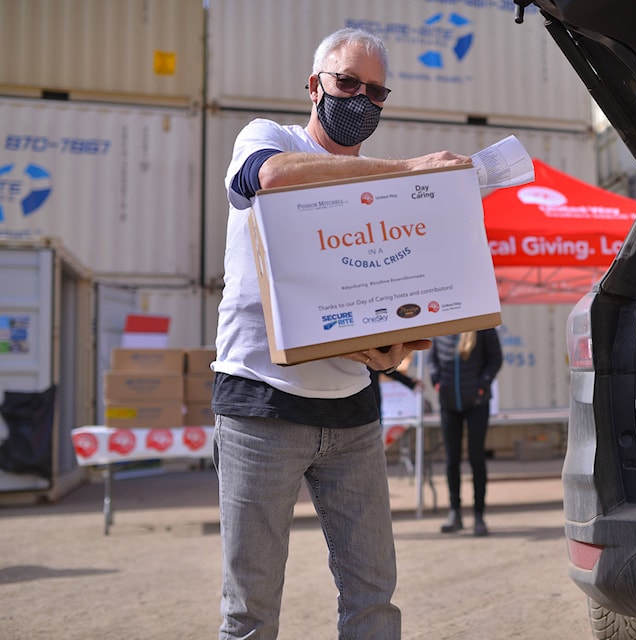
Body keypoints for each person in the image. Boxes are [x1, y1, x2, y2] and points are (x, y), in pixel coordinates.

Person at [211, 27, 472, 640]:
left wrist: (390, 351)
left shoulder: (387, 194)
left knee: (374, 598)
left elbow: (386, 304)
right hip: (261, 404)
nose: (360, 99)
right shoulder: (268, 138)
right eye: (347, 83)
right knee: (249, 610)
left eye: (376, 93)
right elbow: (266, 179)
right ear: (314, 86)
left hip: (353, 414)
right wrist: (409, 170)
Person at [427, 329, 503, 536]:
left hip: (477, 402)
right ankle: (455, 513)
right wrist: (437, 382)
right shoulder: (440, 327)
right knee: (452, 460)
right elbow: (432, 359)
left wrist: (482, 384)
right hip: (448, 403)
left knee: (477, 458)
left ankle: (479, 515)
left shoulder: (483, 328)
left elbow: (495, 359)